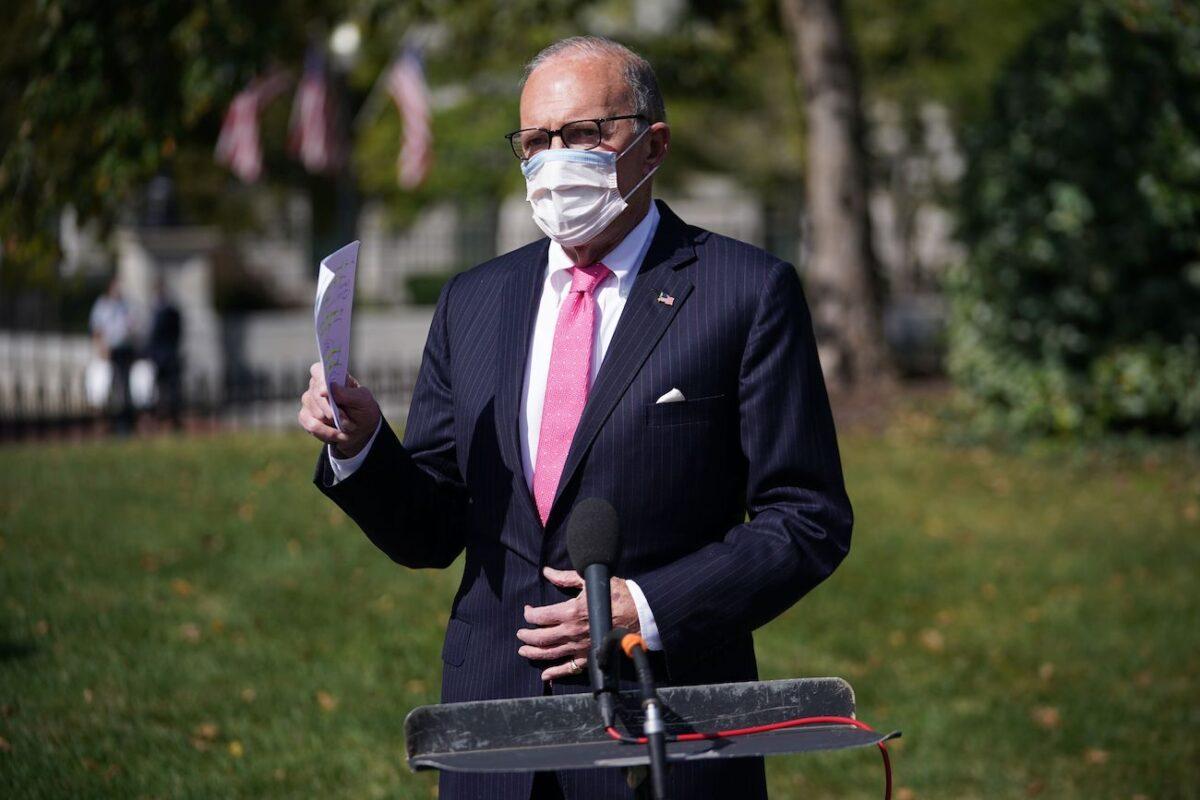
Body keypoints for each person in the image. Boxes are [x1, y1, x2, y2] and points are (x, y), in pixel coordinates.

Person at [299, 36, 852, 800]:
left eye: (584, 135)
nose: (555, 160)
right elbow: (431, 528)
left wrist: (648, 608)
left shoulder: (745, 293)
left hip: (664, 727)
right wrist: (364, 447)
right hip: (493, 734)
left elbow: (807, 519)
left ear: (653, 144)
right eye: (535, 142)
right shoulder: (474, 301)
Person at [89, 275, 137, 434]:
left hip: (124, 350)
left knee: (124, 386)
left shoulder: (125, 305)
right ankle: (107, 423)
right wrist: (101, 347)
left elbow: (131, 327)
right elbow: (97, 329)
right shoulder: (102, 305)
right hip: (109, 351)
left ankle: (124, 423)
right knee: (106, 388)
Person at [145, 277, 184, 429]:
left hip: (167, 355)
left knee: (172, 389)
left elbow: (176, 333)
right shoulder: (154, 311)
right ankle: (160, 417)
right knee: (158, 389)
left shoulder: (170, 311)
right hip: (158, 356)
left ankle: (172, 418)